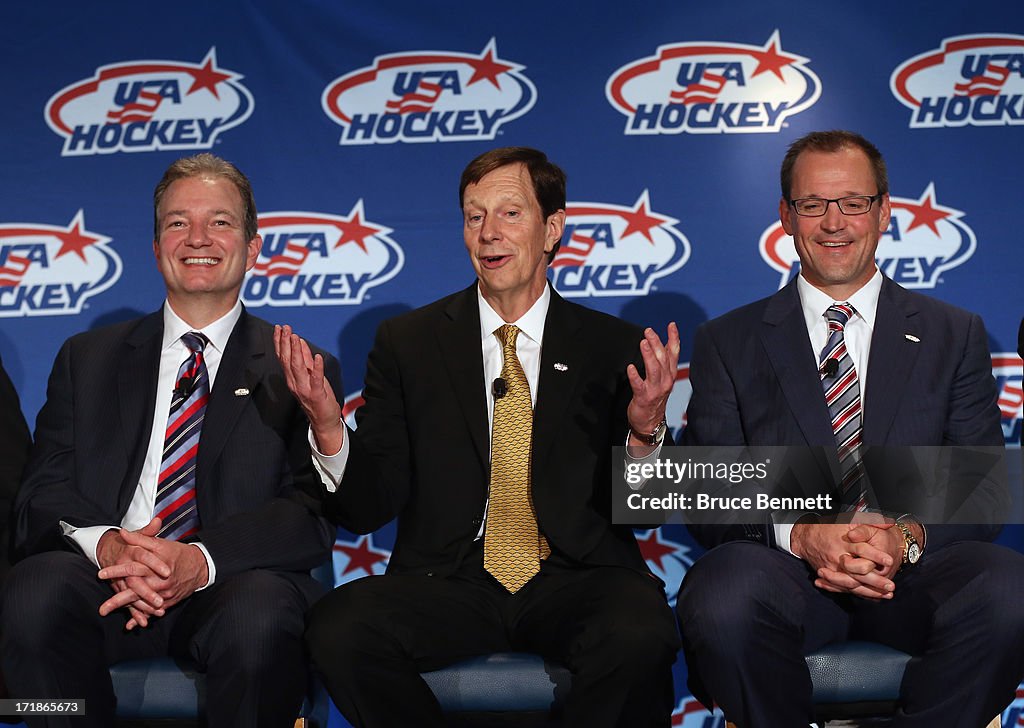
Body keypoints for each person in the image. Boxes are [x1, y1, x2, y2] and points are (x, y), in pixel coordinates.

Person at [276, 146, 681, 727]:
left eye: (510, 213)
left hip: (578, 576)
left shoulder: (614, 348)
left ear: (553, 229)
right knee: (338, 628)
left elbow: (647, 515)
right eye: (474, 215)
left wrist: (645, 432)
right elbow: (370, 504)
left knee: (640, 629)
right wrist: (327, 425)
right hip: (448, 580)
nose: (489, 233)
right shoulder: (408, 343)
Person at [676, 129, 1024, 727]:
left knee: (1010, 588)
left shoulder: (952, 333)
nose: (833, 222)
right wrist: (803, 534)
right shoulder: (728, 341)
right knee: (720, 590)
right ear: (786, 216)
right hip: (787, 577)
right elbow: (711, 501)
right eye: (813, 204)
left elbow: (983, 489)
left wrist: (903, 536)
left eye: (853, 203)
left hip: (912, 574)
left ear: (884, 212)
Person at [2, 153, 338, 728]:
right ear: (156, 248)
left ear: (254, 248)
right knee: (33, 594)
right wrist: (112, 546)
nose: (197, 238)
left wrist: (198, 558)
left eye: (221, 222)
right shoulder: (87, 359)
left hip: (228, 586)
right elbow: (42, 493)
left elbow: (310, 518)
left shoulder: (297, 367)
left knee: (262, 614)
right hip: (107, 585)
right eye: (177, 223)